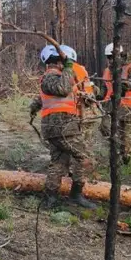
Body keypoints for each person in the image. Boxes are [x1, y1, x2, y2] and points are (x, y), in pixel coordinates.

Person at [29, 45, 95, 208]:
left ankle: (50, 198)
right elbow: (63, 89)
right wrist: (68, 67)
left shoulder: (54, 77)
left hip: (58, 127)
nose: (69, 66)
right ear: (59, 62)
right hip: (63, 127)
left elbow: (40, 100)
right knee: (84, 157)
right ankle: (76, 195)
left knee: (59, 162)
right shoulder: (51, 77)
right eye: (66, 63)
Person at [100, 43, 131, 165]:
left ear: (120, 55)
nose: (110, 60)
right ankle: (116, 151)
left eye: (112, 56)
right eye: (108, 57)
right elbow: (104, 88)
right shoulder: (107, 70)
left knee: (126, 134)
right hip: (111, 106)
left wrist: (124, 85)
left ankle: (125, 156)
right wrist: (98, 96)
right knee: (105, 129)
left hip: (129, 107)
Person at [60, 45, 101, 148]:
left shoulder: (68, 70)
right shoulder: (81, 69)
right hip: (91, 111)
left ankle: (85, 162)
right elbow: (93, 90)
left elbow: (65, 89)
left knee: (79, 146)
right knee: (86, 144)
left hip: (80, 113)